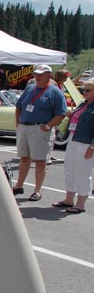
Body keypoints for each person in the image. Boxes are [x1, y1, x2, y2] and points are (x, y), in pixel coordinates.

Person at [11, 64, 67, 202]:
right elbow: (19, 106)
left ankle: (37, 190)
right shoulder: (30, 88)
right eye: (36, 74)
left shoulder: (55, 92)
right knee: (24, 158)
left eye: (41, 74)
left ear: (49, 75)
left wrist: (48, 126)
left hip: (40, 128)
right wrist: (18, 123)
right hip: (25, 126)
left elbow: (61, 113)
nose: (38, 76)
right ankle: (19, 185)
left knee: (40, 161)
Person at [52, 78, 94, 214]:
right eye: (84, 90)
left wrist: (92, 147)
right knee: (69, 169)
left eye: (88, 90)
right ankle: (69, 199)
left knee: (83, 172)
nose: (85, 92)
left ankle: (80, 204)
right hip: (73, 138)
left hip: (85, 142)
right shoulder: (83, 104)